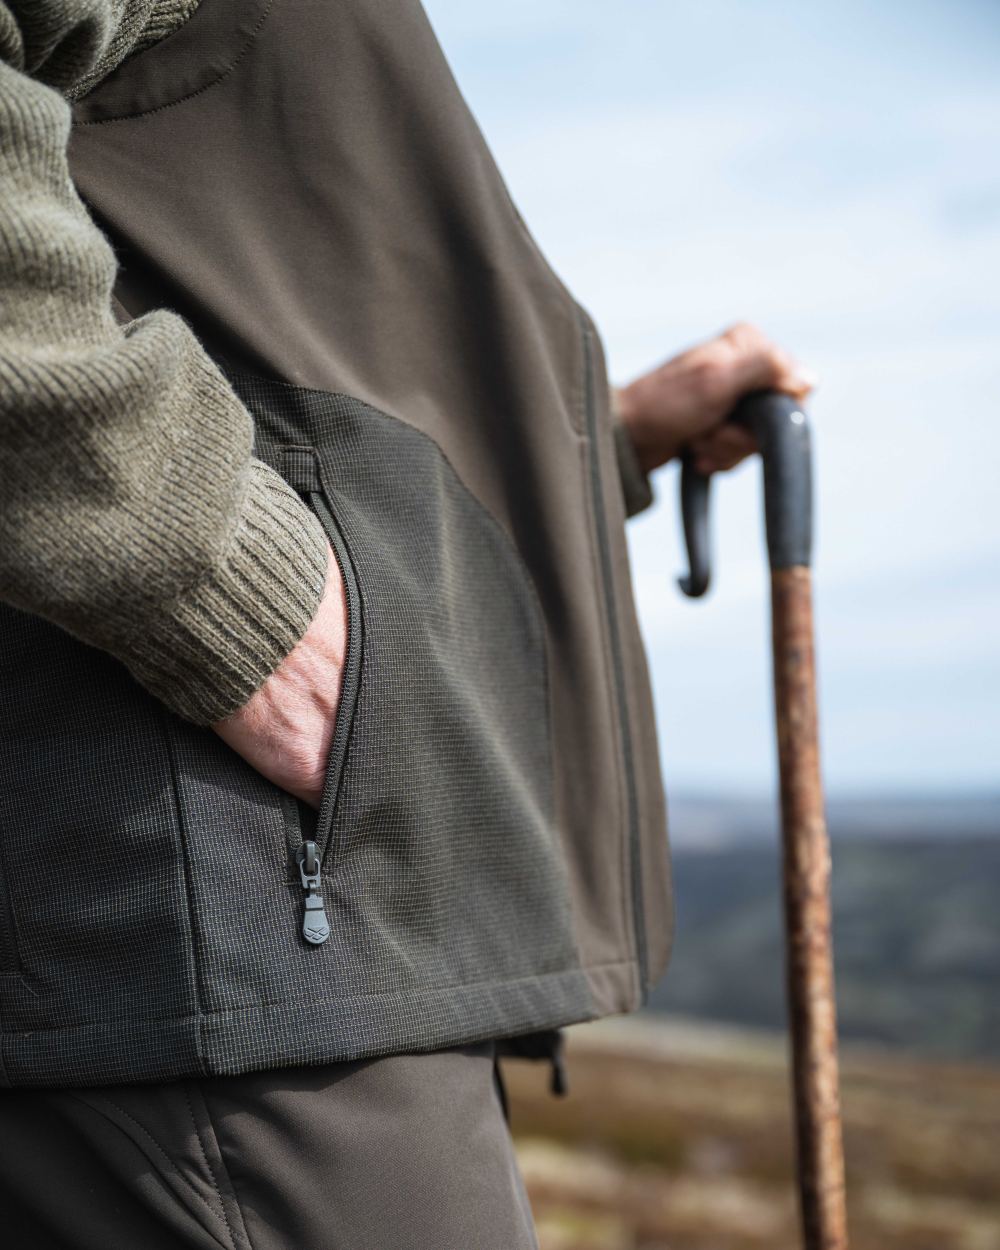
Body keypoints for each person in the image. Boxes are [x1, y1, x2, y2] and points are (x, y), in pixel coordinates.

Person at [0, 2, 814, 1246]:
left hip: (268, 937)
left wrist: (603, 450)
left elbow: (318, 358)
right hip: (222, 929)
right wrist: (224, 584)